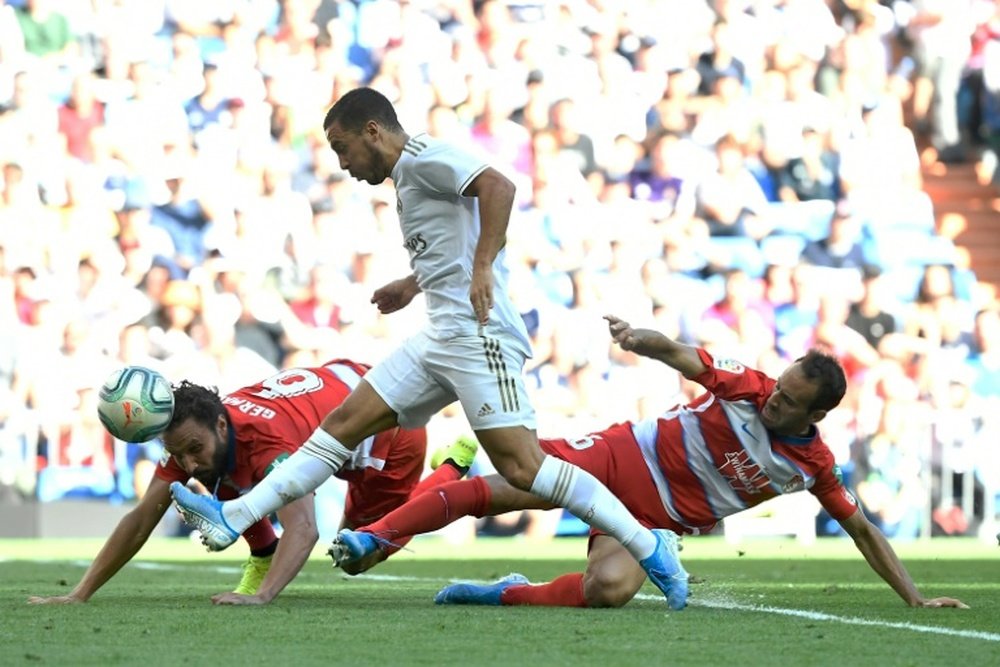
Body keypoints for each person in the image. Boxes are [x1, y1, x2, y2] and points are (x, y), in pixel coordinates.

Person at [168, 86, 688, 610]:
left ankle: (650, 543)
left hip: (479, 334)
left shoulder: (424, 158)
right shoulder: (407, 179)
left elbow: (499, 187)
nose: (341, 162)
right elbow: (451, 243)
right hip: (439, 334)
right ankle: (234, 515)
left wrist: (484, 267)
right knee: (342, 425)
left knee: (523, 468)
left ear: (373, 131)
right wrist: (412, 283)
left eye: (342, 146)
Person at [329, 315, 968, 611]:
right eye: (779, 387)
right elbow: (686, 356)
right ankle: (373, 537)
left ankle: (502, 593)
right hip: (618, 457)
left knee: (608, 592)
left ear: (816, 416)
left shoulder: (815, 467)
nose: (775, 399)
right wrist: (642, 338)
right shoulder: (747, 385)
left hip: (649, 521)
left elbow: (862, 529)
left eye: (791, 401)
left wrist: (913, 597)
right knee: (505, 488)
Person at [27, 359, 476, 606]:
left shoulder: (267, 445)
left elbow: (303, 529)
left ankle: (452, 467)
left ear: (222, 426)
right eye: (177, 452)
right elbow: (142, 517)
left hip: (386, 429)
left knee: (361, 553)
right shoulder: (202, 432)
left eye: (191, 448)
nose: (185, 461)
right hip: (337, 394)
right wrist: (79, 593)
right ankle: (260, 552)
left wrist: (263, 598)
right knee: (217, 474)